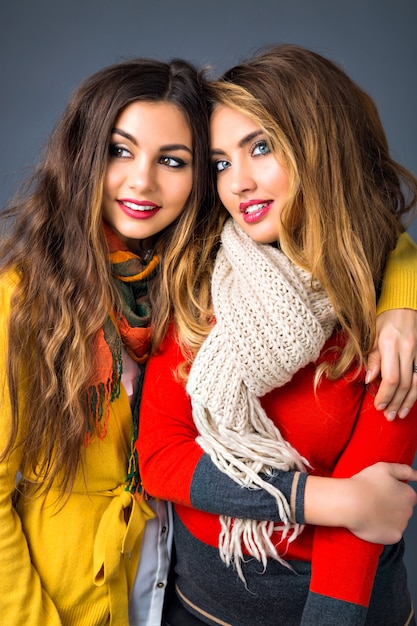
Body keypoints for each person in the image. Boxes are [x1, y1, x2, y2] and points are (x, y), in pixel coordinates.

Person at [138, 44, 417, 626]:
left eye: (260, 148)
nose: (237, 183)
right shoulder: (200, 277)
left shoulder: (389, 318)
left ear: (321, 147)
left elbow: (369, 522)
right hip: (195, 605)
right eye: (219, 163)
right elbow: (161, 456)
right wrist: (315, 500)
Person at [0, 57, 218, 625]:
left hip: (179, 592)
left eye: (172, 161)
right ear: (82, 155)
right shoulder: (23, 297)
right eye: (119, 151)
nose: (142, 181)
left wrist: (404, 299)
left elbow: (341, 231)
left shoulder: (205, 280)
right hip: (61, 602)